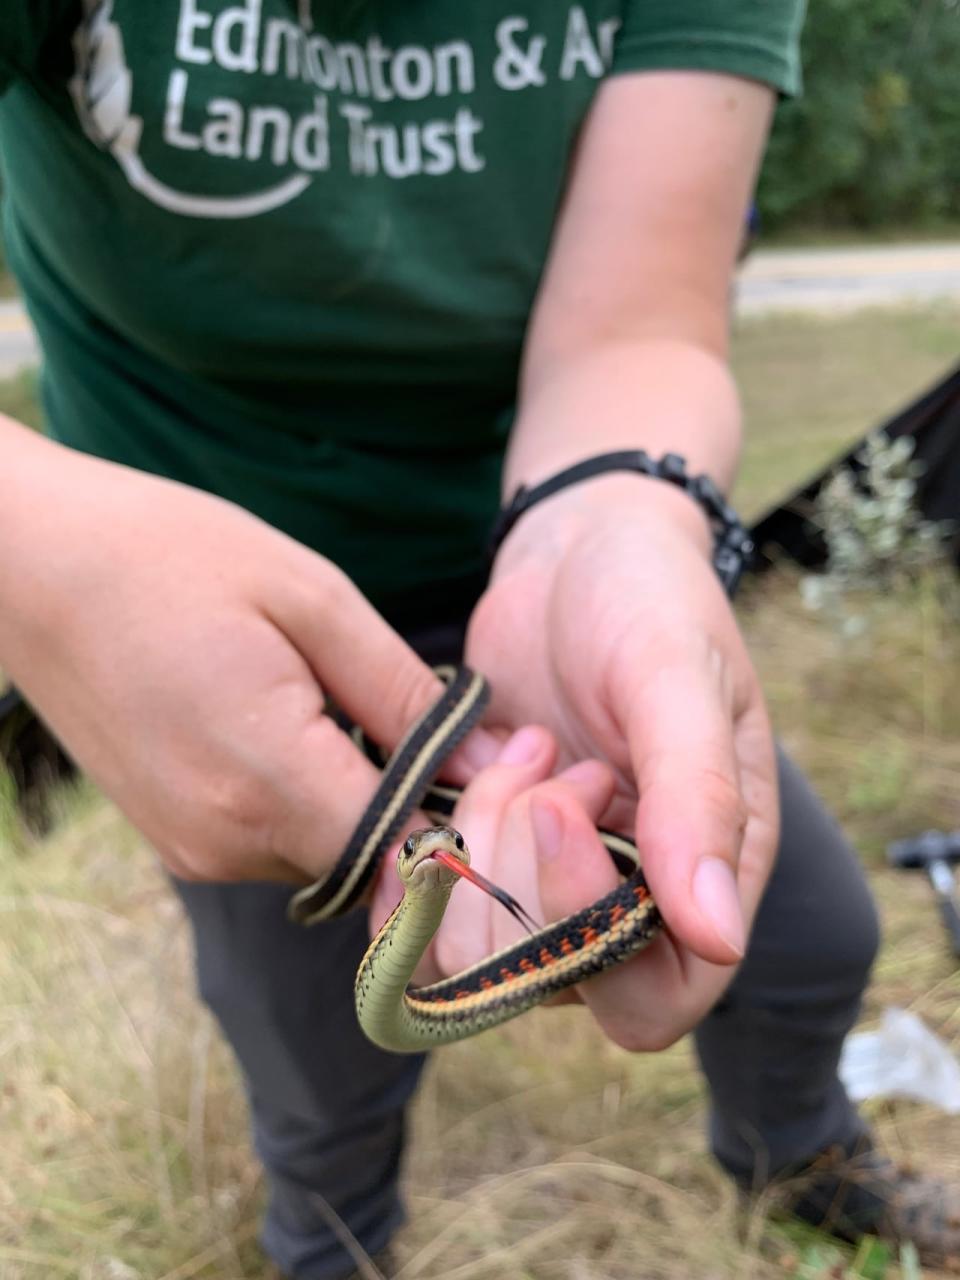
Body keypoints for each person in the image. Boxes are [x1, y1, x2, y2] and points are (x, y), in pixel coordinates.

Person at [0, 4, 956, 1277]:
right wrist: (41, 546)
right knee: (320, 1055)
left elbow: (641, 325)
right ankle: (329, 1249)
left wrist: (618, 518)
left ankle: (802, 1155)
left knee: (815, 932)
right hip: (210, 630)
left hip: (540, 584)